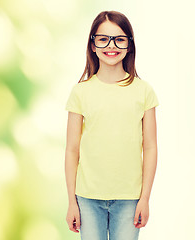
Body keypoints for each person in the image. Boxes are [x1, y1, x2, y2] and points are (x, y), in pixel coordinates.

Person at [64, 10, 159, 240]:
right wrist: (71, 202)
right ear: (93, 44)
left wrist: (144, 198)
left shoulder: (143, 91)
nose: (111, 45)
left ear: (129, 45)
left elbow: (151, 147)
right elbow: (72, 149)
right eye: (103, 38)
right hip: (87, 198)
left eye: (119, 39)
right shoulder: (80, 92)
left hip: (129, 198)